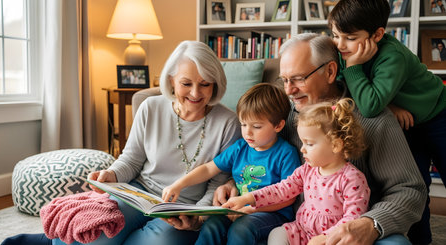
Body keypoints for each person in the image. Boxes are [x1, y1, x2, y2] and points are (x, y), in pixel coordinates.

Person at [2, 41, 241, 245]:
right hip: (139, 194)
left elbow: (216, 184)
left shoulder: (228, 122)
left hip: (182, 210)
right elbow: (132, 159)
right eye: (186, 83)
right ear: (171, 80)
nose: (196, 93)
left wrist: (197, 219)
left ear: (216, 83)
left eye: (205, 84)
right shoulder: (151, 108)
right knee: (94, 233)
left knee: (163, 242)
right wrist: (112, 174)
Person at [213, 33, 426, 244]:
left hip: (354, 224)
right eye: (284, 80)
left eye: (298, 79)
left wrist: (372, 223)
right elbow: (261, 156)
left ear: (330, 71)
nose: (289, 90)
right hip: (297, 224)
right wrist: (236, 183)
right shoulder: (282, 118)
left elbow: (409, 189)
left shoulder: (373, 119)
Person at [328, 0, 446, 243]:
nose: (340, 45)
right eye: (335, 35)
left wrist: (353, 68)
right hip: (407, 124)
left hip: (437, 115)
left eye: (349, 37)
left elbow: (370, 106)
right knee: (416, 186)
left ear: (378, 34)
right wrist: (389, 105)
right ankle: (421, 240)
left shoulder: (393, 56)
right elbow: (349, 92)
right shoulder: (343, 51)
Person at [162, 83, 301, 244]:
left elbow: (288, 198)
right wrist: (179, 184)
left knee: (241, 229)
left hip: (273, 213)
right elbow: (208, 169)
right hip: (239, 208)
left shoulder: (286, 153)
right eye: (243, 124)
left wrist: (250, 208)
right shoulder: (240, 147)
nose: (247, 132)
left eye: (256, 126)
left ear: (278, 125)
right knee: (212, 224)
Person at [223, 98, 370, 245]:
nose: (302, 149)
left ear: (336, 145)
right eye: (302, 142)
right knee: (277, 234)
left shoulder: (352, 179)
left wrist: (326, 238)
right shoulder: (308, 169)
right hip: (302, 230)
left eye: (309, 143)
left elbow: (353, 218)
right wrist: (248, 198)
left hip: (333, 238)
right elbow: (282, 189)